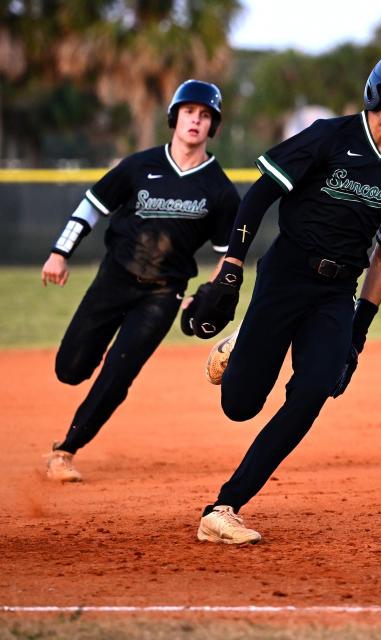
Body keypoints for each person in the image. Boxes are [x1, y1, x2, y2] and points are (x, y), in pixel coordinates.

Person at [190, 51, 381, 544]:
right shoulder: (330, 136)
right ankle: (240, 347)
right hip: (285, 276)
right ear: (377, 91)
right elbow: (259, 194)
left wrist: (358, 330)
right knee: (239, 406)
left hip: (336, 292)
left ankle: (224, 507)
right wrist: (232, 264)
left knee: (316, 389)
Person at [41, 80, 240, 482]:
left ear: (212, 126)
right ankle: (87, 358)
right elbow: (90, 207)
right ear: (174, 117)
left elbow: (226, 255)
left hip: (164, 293)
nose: (196, 121)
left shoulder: (219, 189)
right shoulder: (139, 165)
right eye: (189, 113)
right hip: (114, 279)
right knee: (71, 369)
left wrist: (209, 296)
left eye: (205, 116)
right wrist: (60, 253)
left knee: (119, 373)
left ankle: (65, 452)